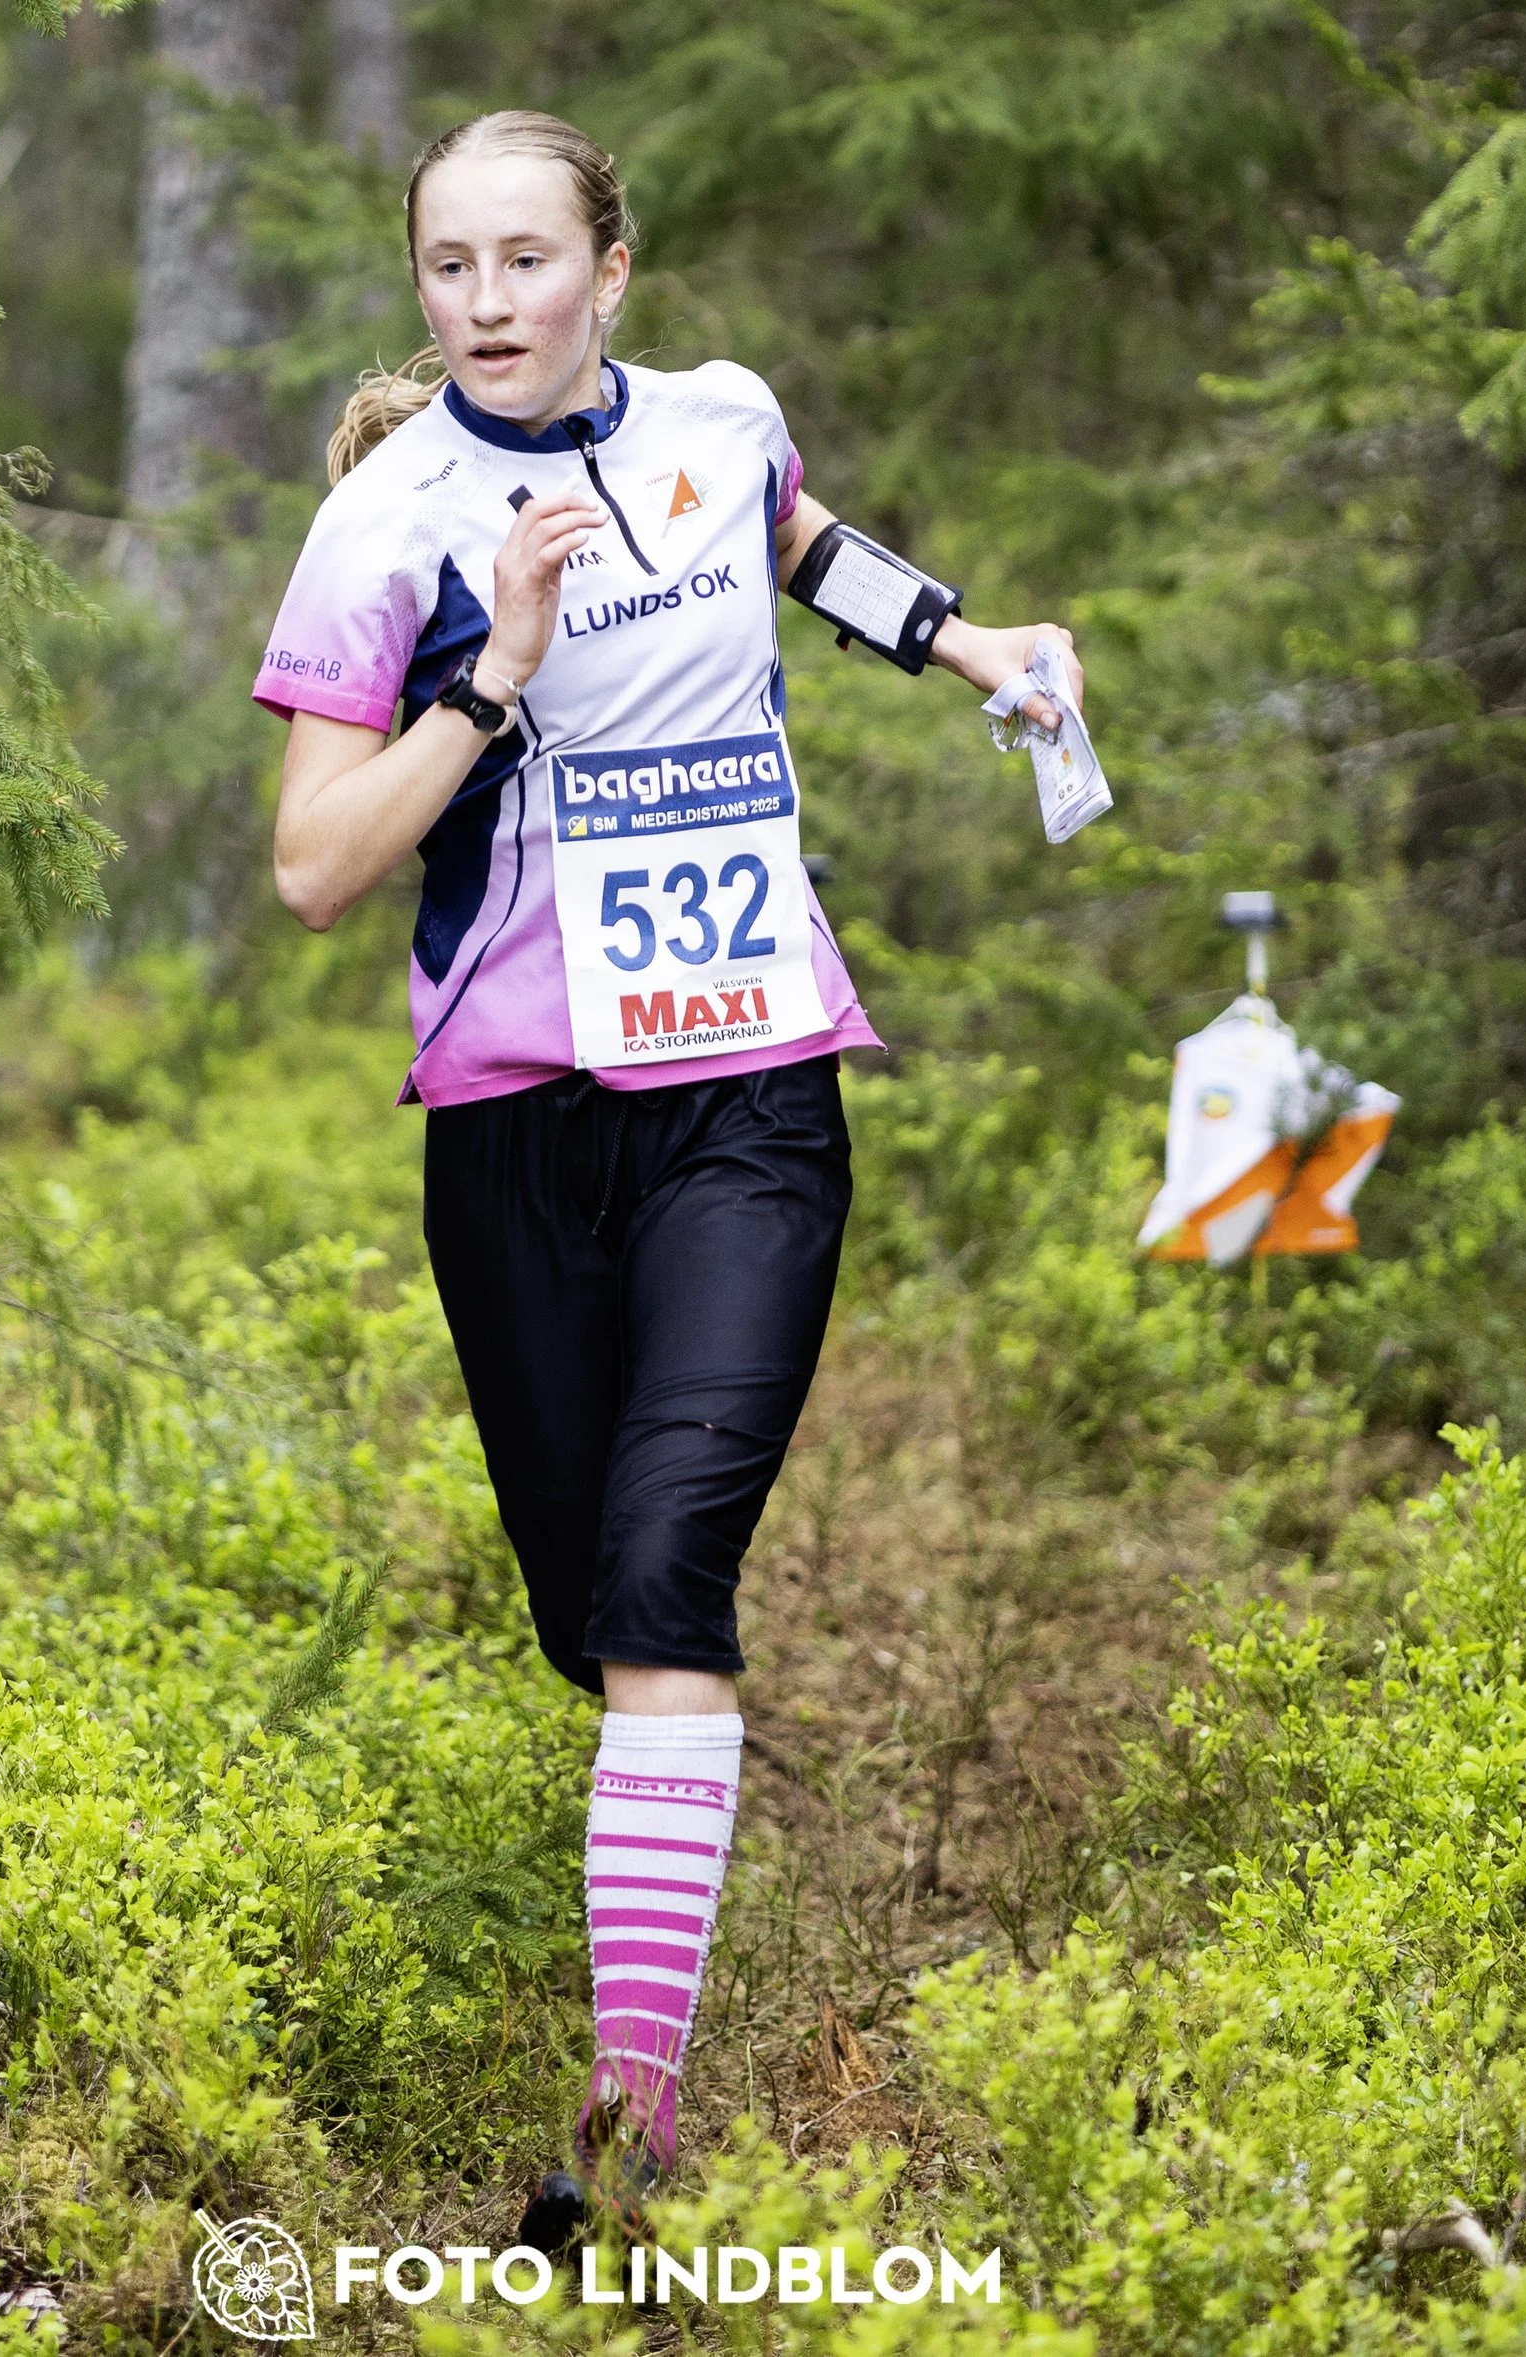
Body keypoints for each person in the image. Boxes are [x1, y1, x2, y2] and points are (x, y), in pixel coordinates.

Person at [257, 109, 1079, 2239]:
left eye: (526, 260)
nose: (488, 302)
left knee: (659, 1588)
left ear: (608, 270)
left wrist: (975, 646)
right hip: (516, 1124)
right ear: (420, 285)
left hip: (746, 1090)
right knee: (583, 1607)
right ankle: (661, 1871)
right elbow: (315, 869)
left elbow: (792, 538)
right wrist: (496, 682)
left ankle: (630, 2134)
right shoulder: (388, 518)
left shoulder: (719, 419)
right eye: (449, 267)